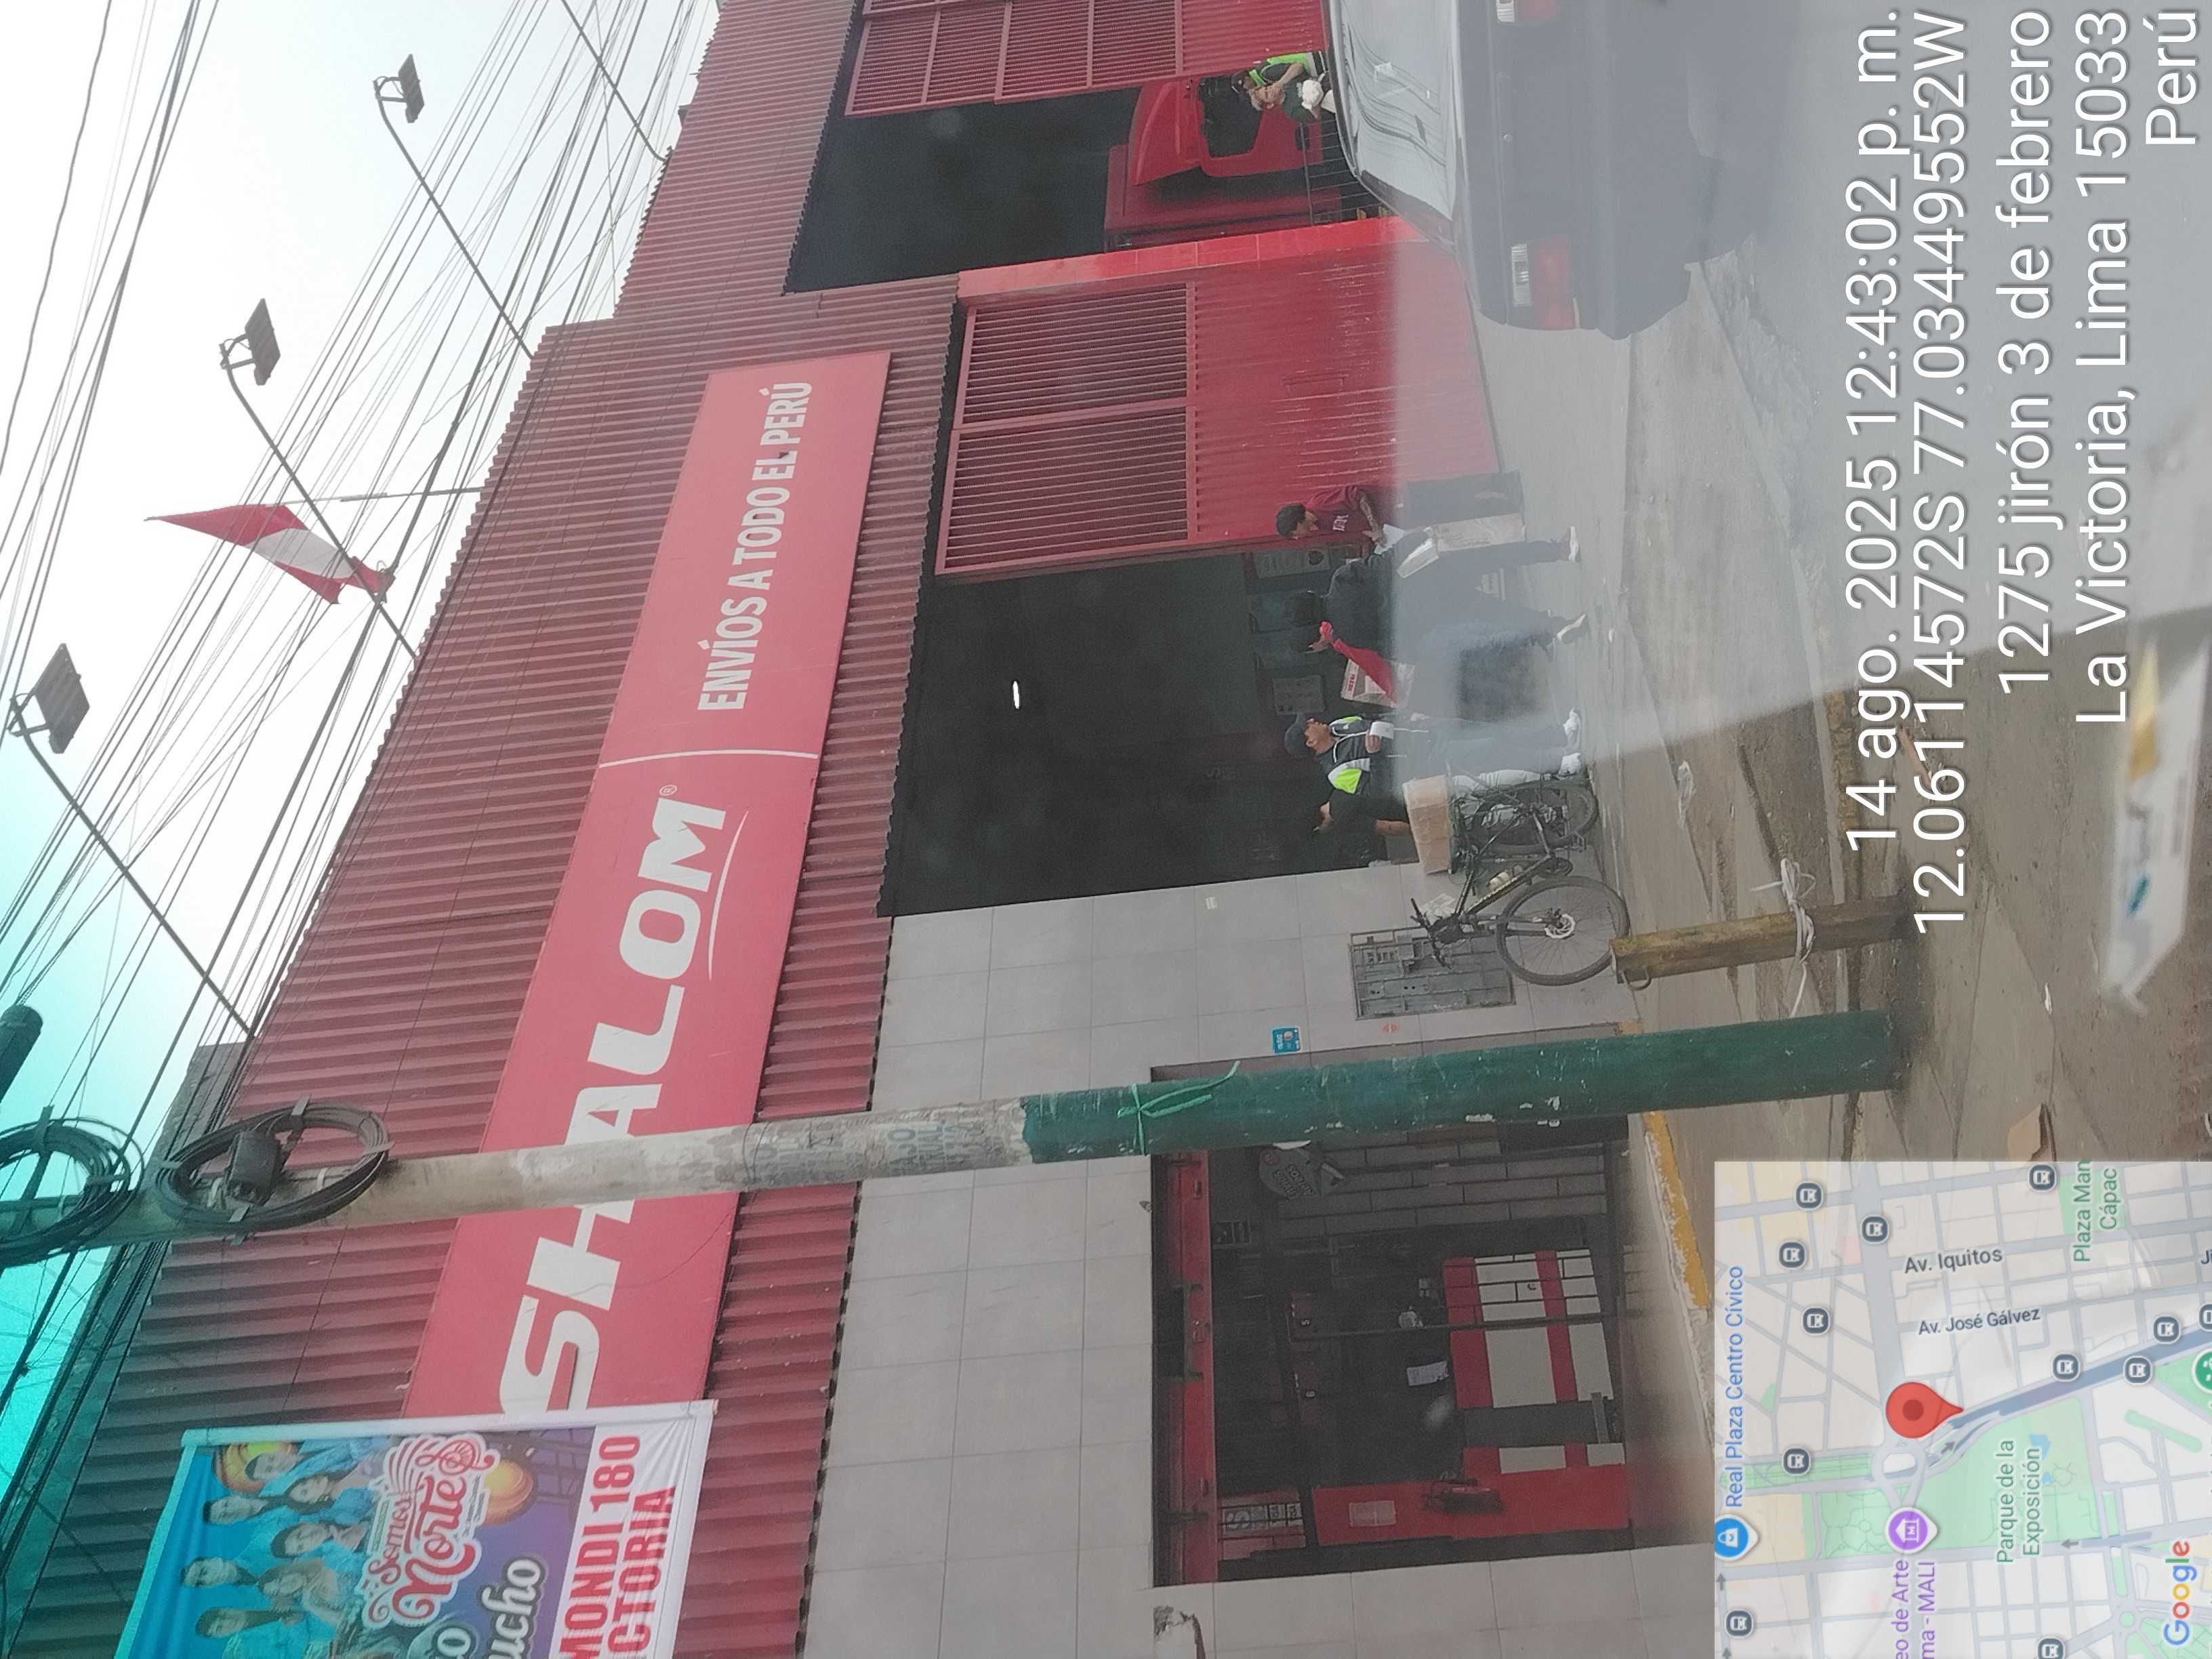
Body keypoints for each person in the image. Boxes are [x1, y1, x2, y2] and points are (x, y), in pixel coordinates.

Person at [1274, 476, 1528, 545]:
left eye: (1294, 533)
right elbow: (1354, 522)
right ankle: (1503, 507)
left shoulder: (1320, 505)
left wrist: (1375, 526)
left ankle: (1504, 483)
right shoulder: (1322, 525)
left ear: (1297, 522)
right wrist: (1373, 534)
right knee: (1453, 511)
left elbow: (1358, 495)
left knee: (1452, 491)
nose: (1298, 537)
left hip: (1399, 499)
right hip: (1401, 517)